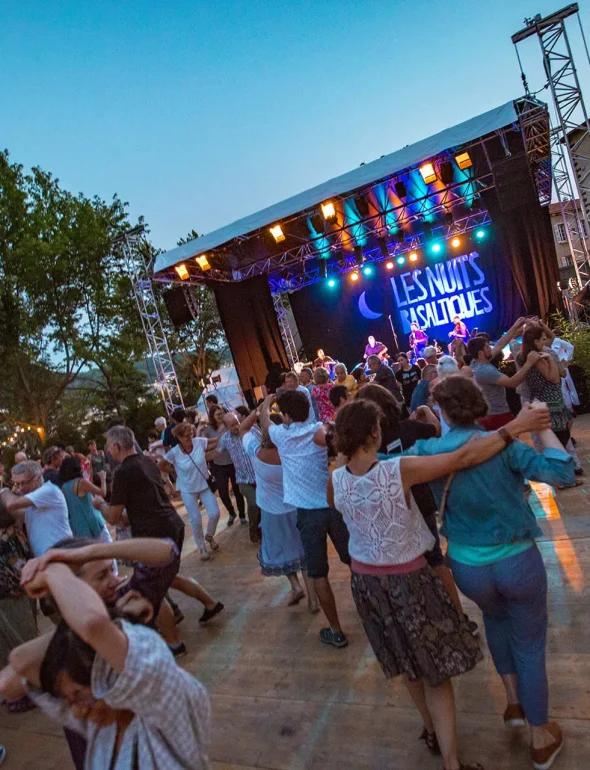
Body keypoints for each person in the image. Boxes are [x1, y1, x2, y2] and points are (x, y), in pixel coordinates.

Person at [329, 397, 553, 770]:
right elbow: (461, 459)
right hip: (408, 581)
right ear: (375, 432)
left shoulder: (334, 480)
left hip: (366, 584)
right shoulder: (397, 470)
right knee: (436, 675)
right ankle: (452, 763)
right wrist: (514, 427)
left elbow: (339, 497)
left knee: (407, 663)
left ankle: (430, 729)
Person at [406, 375, 574, 770]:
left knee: (496, 623)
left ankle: (513, 703)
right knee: (530, 645)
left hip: (467, 566)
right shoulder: (507, 446)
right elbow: (562, 474)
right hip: (517, 561)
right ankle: (539, 736)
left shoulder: (428, 450)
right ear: (478, 407)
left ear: (444, 411)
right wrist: (544, 427)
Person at [13, 560, 212, 770]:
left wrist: (54, 573)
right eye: (70, 701)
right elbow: (20, 660)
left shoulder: (162, 695)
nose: (76, 713)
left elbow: (93, 624)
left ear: (107, 678)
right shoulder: (102, 726)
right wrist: (91, 620)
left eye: (80, 696)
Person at [260, 391, 350, 648]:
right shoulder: (317, 431)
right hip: (333, 507)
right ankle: (375, 613)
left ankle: (336, 631)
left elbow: (265, 421)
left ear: (286, 416)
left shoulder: (281, 435)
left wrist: (267, 402)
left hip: (308, 516)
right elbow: (334, 438)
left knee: (318, 573)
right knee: (355, 561)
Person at [241, 401, 317, 610]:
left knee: (282, 551)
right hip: (295, 505)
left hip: (271, 511)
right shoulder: (290, 453)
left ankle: (295, 586)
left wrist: (259, 410)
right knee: (304, 552)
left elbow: (243, 429)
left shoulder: (256, 453)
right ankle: (312, 598)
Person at [159, 422, 221, 561]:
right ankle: (202, 547)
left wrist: (224, 433)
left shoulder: (198, 442)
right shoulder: (174, 452)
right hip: (187, 489)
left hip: (204, 484)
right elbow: (161, 465)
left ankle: (209, 536)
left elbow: (215, 442)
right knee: (196, 520)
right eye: (187, 436)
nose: (190, 438)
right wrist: (174, 470)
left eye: (191, 434)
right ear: (179, 438)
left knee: (215, 513)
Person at [468, 319, 541, 430]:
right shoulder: (485, 371)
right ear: (480, 353)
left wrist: (515, 325)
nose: (491, 348)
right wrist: (529, 363)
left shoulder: (476, 362)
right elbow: (513, 383)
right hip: (496, 416)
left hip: (493, 415)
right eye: (487, 347)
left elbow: (501, 344)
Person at [1, 461, 72, 557]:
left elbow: (10, 504)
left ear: (38, 478)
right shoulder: (32, 499)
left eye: (23, 483)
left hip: (60, 557)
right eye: (16, 484)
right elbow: (17, 513)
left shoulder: (49, 490)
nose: (20, 488)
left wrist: (4, 491)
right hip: (48, 559)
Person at [518, 324, 571, 449]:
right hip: (549, 403)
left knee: (560, 436)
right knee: (558, 440)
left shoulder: (529, 355)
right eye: (542, 339)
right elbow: (554, 378)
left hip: (548, 402)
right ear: (535, 341)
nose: (545, 342)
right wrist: (551, 359)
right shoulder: (537, 357)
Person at [217, 413, 261, 542]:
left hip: (259, 477)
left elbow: (264, 441)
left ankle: (262, 530)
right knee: (253, 502)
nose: (236, 426)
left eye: (237, 422)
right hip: (243, 479)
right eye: (232, 425)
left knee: (263, 505)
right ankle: (253, 529)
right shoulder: (225, 439)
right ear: (226, 427)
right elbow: (216, 452)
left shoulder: (251, 430)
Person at [202, 404, 246, 526]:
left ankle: (242, 515)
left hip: (233, 463)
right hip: (218, 465)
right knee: (223, 493)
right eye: (217, 414)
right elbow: (204, 446)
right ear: (212, 416)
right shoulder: (208, 430)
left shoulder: (228, 425)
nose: (220, 416)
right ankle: (231, 512)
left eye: (222, 413)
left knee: (238, 491)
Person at [59, 457, 114, 552]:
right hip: (93, 521)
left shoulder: (64, 487)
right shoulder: (81, 482)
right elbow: (102, 492)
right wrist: (103, 478)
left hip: (78, 525)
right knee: (108, 549)